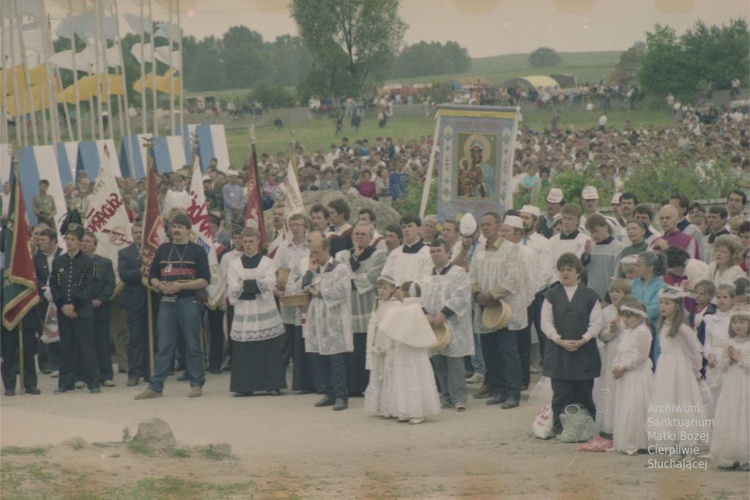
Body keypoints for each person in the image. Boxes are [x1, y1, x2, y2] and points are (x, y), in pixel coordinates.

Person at [135, 213, 210, 400]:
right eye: (174, 226)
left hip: (188, 301)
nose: (176, 230)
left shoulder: (197, 251)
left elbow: (204, 280)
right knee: (164, 346)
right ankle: (155, 387)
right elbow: (152, 275)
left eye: (180, 226)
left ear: (188, 230)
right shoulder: (162, 249)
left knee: (192, 344)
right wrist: (159, 285)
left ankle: (196, 383)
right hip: (166, 302)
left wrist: (181, 286)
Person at [470, 212, 527, 409]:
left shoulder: (511, 249)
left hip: (504, 309)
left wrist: (492, 295)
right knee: (491, 351)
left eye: (489, 224)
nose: (485, 228)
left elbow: (513, 277)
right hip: (485, 309)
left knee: (508, 352)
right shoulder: (479, 250)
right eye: (482, 225)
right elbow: (472, 275)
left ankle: (513, 393)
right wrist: (478, 293)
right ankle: (499, 389)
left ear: (497, 226)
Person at [541, 253, 603, 434]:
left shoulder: (590, 295)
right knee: (561, 393)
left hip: (584, 351)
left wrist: (583, 340)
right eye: (562, 270)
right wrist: (559, 340)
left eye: (569, 270)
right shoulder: (551, 295)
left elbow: (597, 323)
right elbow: (546, 322)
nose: (565, 273)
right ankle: (560, 428)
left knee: (584, 392)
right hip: (558, 351)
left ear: (578, 272)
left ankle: (587, 428)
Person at [647, 287, 709, 451]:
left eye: (667, 303)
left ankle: (687, 444)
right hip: (666, 368)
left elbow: (695, 351)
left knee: (682, 402)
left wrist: (696, 372)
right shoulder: (662, 326)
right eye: (661, 303)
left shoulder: (682, 328)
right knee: (668, 402)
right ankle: (671, 443)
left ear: (676, 306)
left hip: (680, 369)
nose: (662, 306)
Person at [227, 228, 286, 396]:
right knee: (245, 350)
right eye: (245, 242)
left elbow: (269, 284)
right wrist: (255, 284)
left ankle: (272, 384)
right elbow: (233, 288)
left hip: (264, 310)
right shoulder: (234, 264)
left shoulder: (267, 262)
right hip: (244, 313)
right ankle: (245, 386)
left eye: (251, 241)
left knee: (268, 348)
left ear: (258, 242)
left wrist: (244, 283)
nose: (248, 245)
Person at [422, 238, 474, 412]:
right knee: (439, 361)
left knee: (455, 362)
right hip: (433, 324)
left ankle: (459, 397)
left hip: (454, 324)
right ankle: (445, 396)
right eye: (432, 251)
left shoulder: (458, 273)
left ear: (448, 253)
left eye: (439, 251)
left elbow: (462, 296)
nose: (435, 254)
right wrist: (426, 314)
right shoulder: (426, 274)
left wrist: (444, 313)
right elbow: (418, 295)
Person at [335, 223, 387, 397]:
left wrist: (352, 273)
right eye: (356, 234)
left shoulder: (379, 256)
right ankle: (351, 386)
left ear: (371, 237)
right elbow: (340, 279)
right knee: (350, 348)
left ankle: (367, 386)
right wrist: (354, 259)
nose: (359, 237)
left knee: (366, 346)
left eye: (363, 234)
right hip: (349, 308)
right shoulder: (342, 255)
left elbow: (372, 278)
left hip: (368, 307)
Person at [303, 232, 353, 411]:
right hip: (317, 318)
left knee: (335, 358)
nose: (314, 256)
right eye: (311, 252)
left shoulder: (340, 268)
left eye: (317, 252)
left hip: (334, 318)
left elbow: (342, 290)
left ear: (326, 249)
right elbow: (302, 287)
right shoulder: (314, 269)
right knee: (319, 356)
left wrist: (321, 294)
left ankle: (341, 396)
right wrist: (309, 271)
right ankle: (328, 393)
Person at [379, 281, 441, 424]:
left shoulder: (402, 309)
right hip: (415, 351)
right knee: (416, 376)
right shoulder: (417, 309)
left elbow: (388, 327)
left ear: (404, 293)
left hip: (405, 350)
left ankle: (409, 411)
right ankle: (412, 411)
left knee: (405, 377)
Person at [50, 223, 100, 394]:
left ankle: (93, 382)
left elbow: (89, 287)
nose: (69, 242)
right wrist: (63, 305)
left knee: (87, 348)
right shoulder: (59, 261)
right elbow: (54, 285)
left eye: (73, 239)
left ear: (80, 242)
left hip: (81, 311)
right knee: (66, 348)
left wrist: (74, 305)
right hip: (64, 312)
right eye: (67, 239)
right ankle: (65, 383)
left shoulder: (88, 261)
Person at [611, 299, 653, 455]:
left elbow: (641, 356)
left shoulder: (643, 331)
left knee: (635, 405)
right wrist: (616, 365)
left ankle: (636, 441)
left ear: (639, 317)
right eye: (624, 316)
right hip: (625, 375)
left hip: (637, 374)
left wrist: (624, 367)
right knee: (625, 404)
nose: (625, 320)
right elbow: (621, 351)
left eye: (629, 317)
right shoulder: (626, 332)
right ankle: (625, 440)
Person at [709, 311, 750, 471]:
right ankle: (731, 455)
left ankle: (746, 456)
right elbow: (722, 367)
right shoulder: (730, 342)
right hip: (732, 383)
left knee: (745, 414)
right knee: (731, 415)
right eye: (735, 322)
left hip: (746, 382)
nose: (738, 326)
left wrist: (741, 360)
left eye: (742, 322)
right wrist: (727, 359)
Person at [593, 279, 631, 436]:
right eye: (612, 291)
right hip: (612, 351)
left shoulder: (631, 310)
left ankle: (625, 424)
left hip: (628, 351)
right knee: (610, 384)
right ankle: (608, 425)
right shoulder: (606, 311)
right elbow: (601, 335)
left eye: (618, 291)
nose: (614, 294)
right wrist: (611, 330)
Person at [118, 222, 153, 387]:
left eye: (141, 232)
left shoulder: (154, 251)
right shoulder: (125, 252)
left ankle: (149, 371)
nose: (139, 234)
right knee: (135, 340)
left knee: (151, 337)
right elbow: (124, 274)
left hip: (152, 300)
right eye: (136, 232)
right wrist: (141, 271)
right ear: (132, 234)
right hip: (134, 302)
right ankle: (134, 373)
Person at [81, 231, 116, 388]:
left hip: (100, 308)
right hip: (81, 308)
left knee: (102, 343)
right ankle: (85, 376)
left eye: (88, 241)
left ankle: (106, 375)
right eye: (82, 241)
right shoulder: (74, 262)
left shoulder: (105, 262)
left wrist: (100, 300)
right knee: (84, 344)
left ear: (94, 245)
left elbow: (110, 284)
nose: (84, 244)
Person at [363, 275, 399, 417]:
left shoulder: (395, 304)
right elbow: (374, 323)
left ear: (392, 289)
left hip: (389, 341)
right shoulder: (378, 304)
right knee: (379, 373)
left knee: (388, 372)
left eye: (385, 288)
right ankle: (380, 405)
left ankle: (390, 406)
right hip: (378, 340)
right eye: (380, 288)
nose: (382, 291)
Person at [702, 284, 735, 418]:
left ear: (732, 299)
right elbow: (707, 341)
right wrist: (709, 354)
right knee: (713, 395)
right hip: (714, 359)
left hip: (729, 359)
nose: (721, 300)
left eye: (725, 297)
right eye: (719, 297)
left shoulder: (735, 319)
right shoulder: (710, 319)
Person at [33, 228, 62, 375]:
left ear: (53, 241)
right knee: (47, 332)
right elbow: (34, 277)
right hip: (44, 301)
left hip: (61, 301)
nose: (39, 243)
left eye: (43, 240)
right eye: (38, 240)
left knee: (63, 332)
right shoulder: (36, 258)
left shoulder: (63, 254)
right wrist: (44, 290)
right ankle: (53, 364)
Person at [631, 252, 668, 364]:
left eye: (639, 266)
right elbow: (627, 302)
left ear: (650, 267)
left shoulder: (662, 287)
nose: (635, 269)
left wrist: (634, 312)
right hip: (631, 328)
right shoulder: (633, 283)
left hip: (651, 330)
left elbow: (654, 309)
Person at [547, 204, 591, 287]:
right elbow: (549, 265)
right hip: (555, 284)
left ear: (578, 221)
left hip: (576, 284)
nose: (566, 221)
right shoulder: (553, 241)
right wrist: (555, 281)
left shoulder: (584, 240)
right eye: (564, 218)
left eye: (570, 219)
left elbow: (580, 264)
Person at [381, 214, 432, 285]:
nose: (406, 229)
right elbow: (386, 275)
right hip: (395, 293)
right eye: (403, 227)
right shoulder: (395, 253)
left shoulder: (428, 252)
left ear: (419, 228)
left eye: (410, 226)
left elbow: (426, 278)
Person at [585, 213, 624, 301]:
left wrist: (609, 295)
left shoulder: (617, 247)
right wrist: (586, 255)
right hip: (592, 293)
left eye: (596, 231)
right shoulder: (591, 246)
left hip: (609, 295)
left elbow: (617, 275)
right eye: (591, 232)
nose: (594, 235)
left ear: (605, 227)